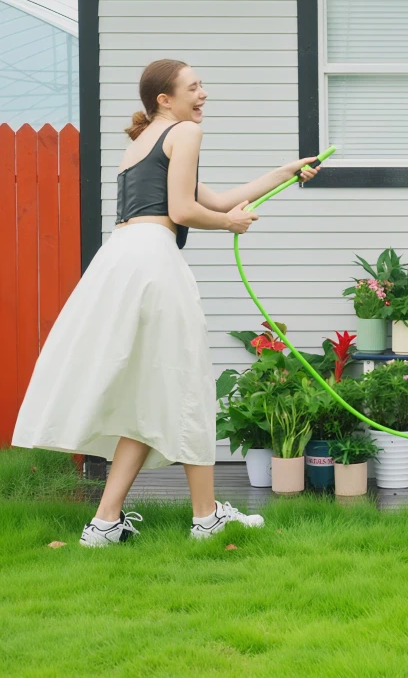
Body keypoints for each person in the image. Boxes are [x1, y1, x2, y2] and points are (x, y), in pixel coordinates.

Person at [12, 59, 321, 546]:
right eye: (193, 87)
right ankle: (206, 518)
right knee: (187, 380)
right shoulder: (185, 133)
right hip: (154, 261)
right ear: (165, 98)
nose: (203, 94)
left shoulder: (142, 142)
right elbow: (184, 210)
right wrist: (230, 225)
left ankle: (105, 523)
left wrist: (282, 172)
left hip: (120, 261)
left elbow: (214, 198)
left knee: (148, 390)